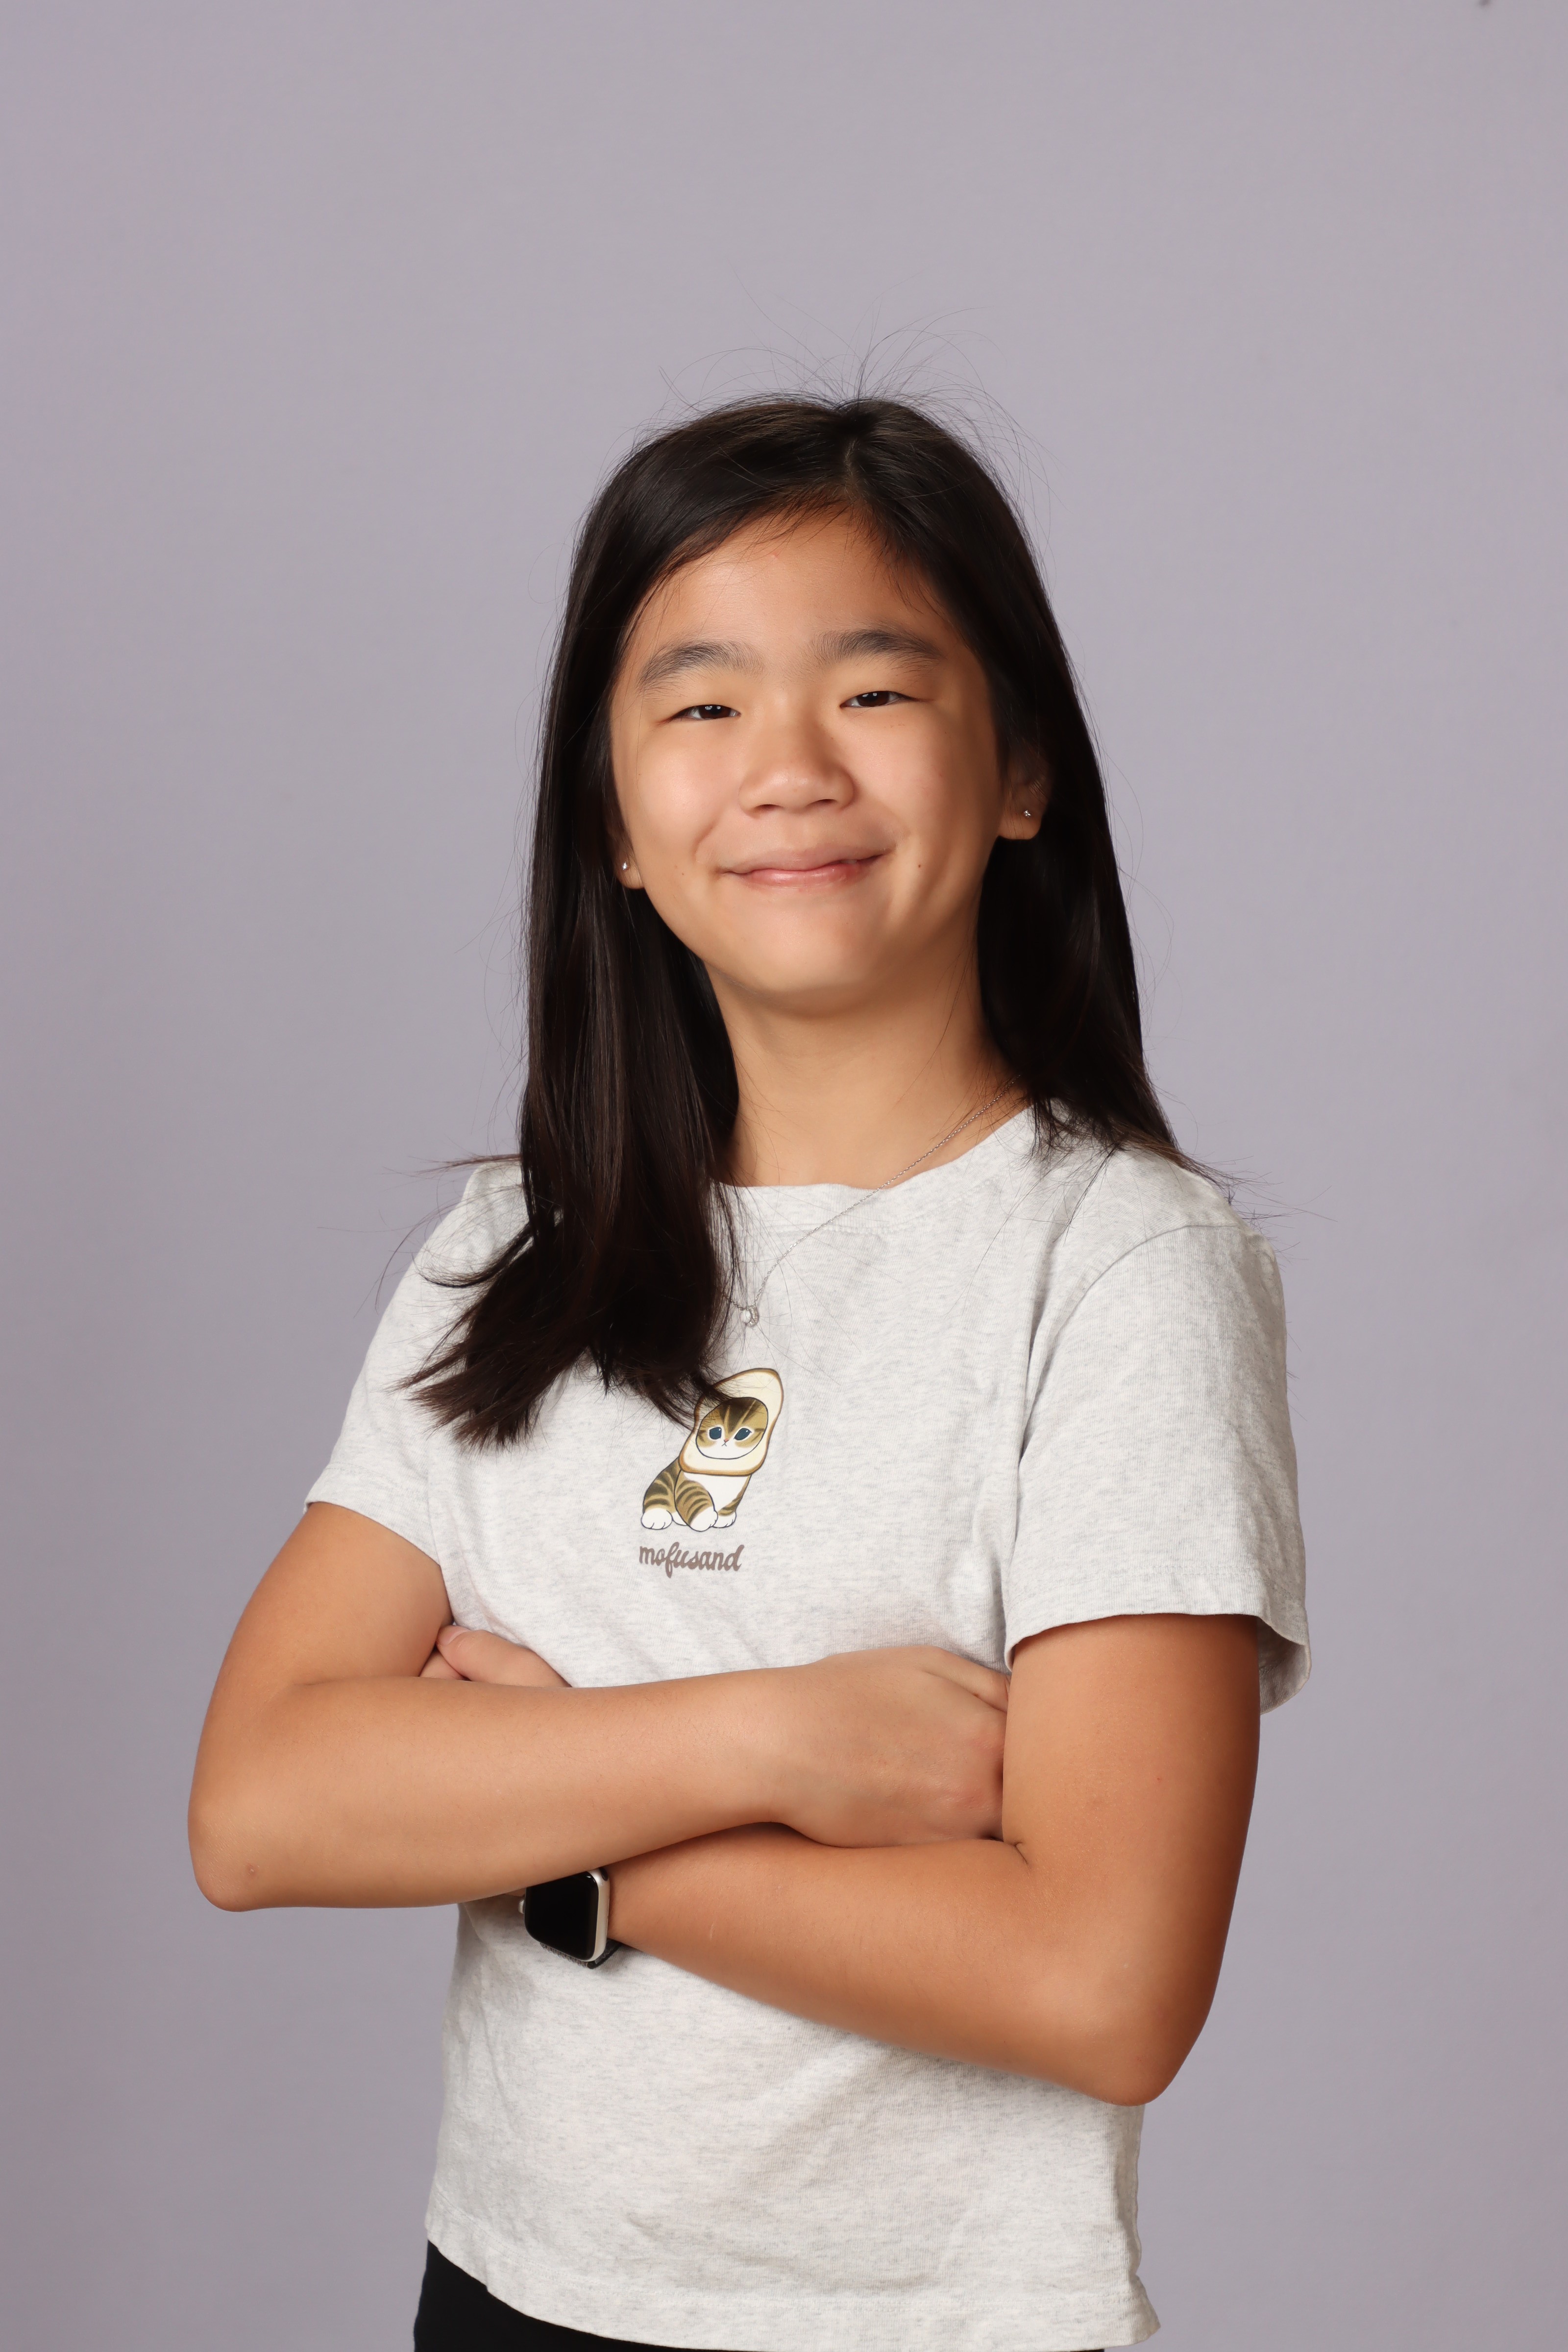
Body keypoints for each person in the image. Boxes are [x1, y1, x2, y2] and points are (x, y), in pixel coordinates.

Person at [190, 393, 1308, 2352]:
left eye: (872, 691)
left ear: (1020, 768)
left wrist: (569, 1838)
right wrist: (774, 1744)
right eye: (700, 706)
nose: (787, 767)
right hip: (509, 2290)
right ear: (615, 829)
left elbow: (1101, 1984)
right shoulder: (512, 1251)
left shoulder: (1118, 1267)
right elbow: (262, 1805)